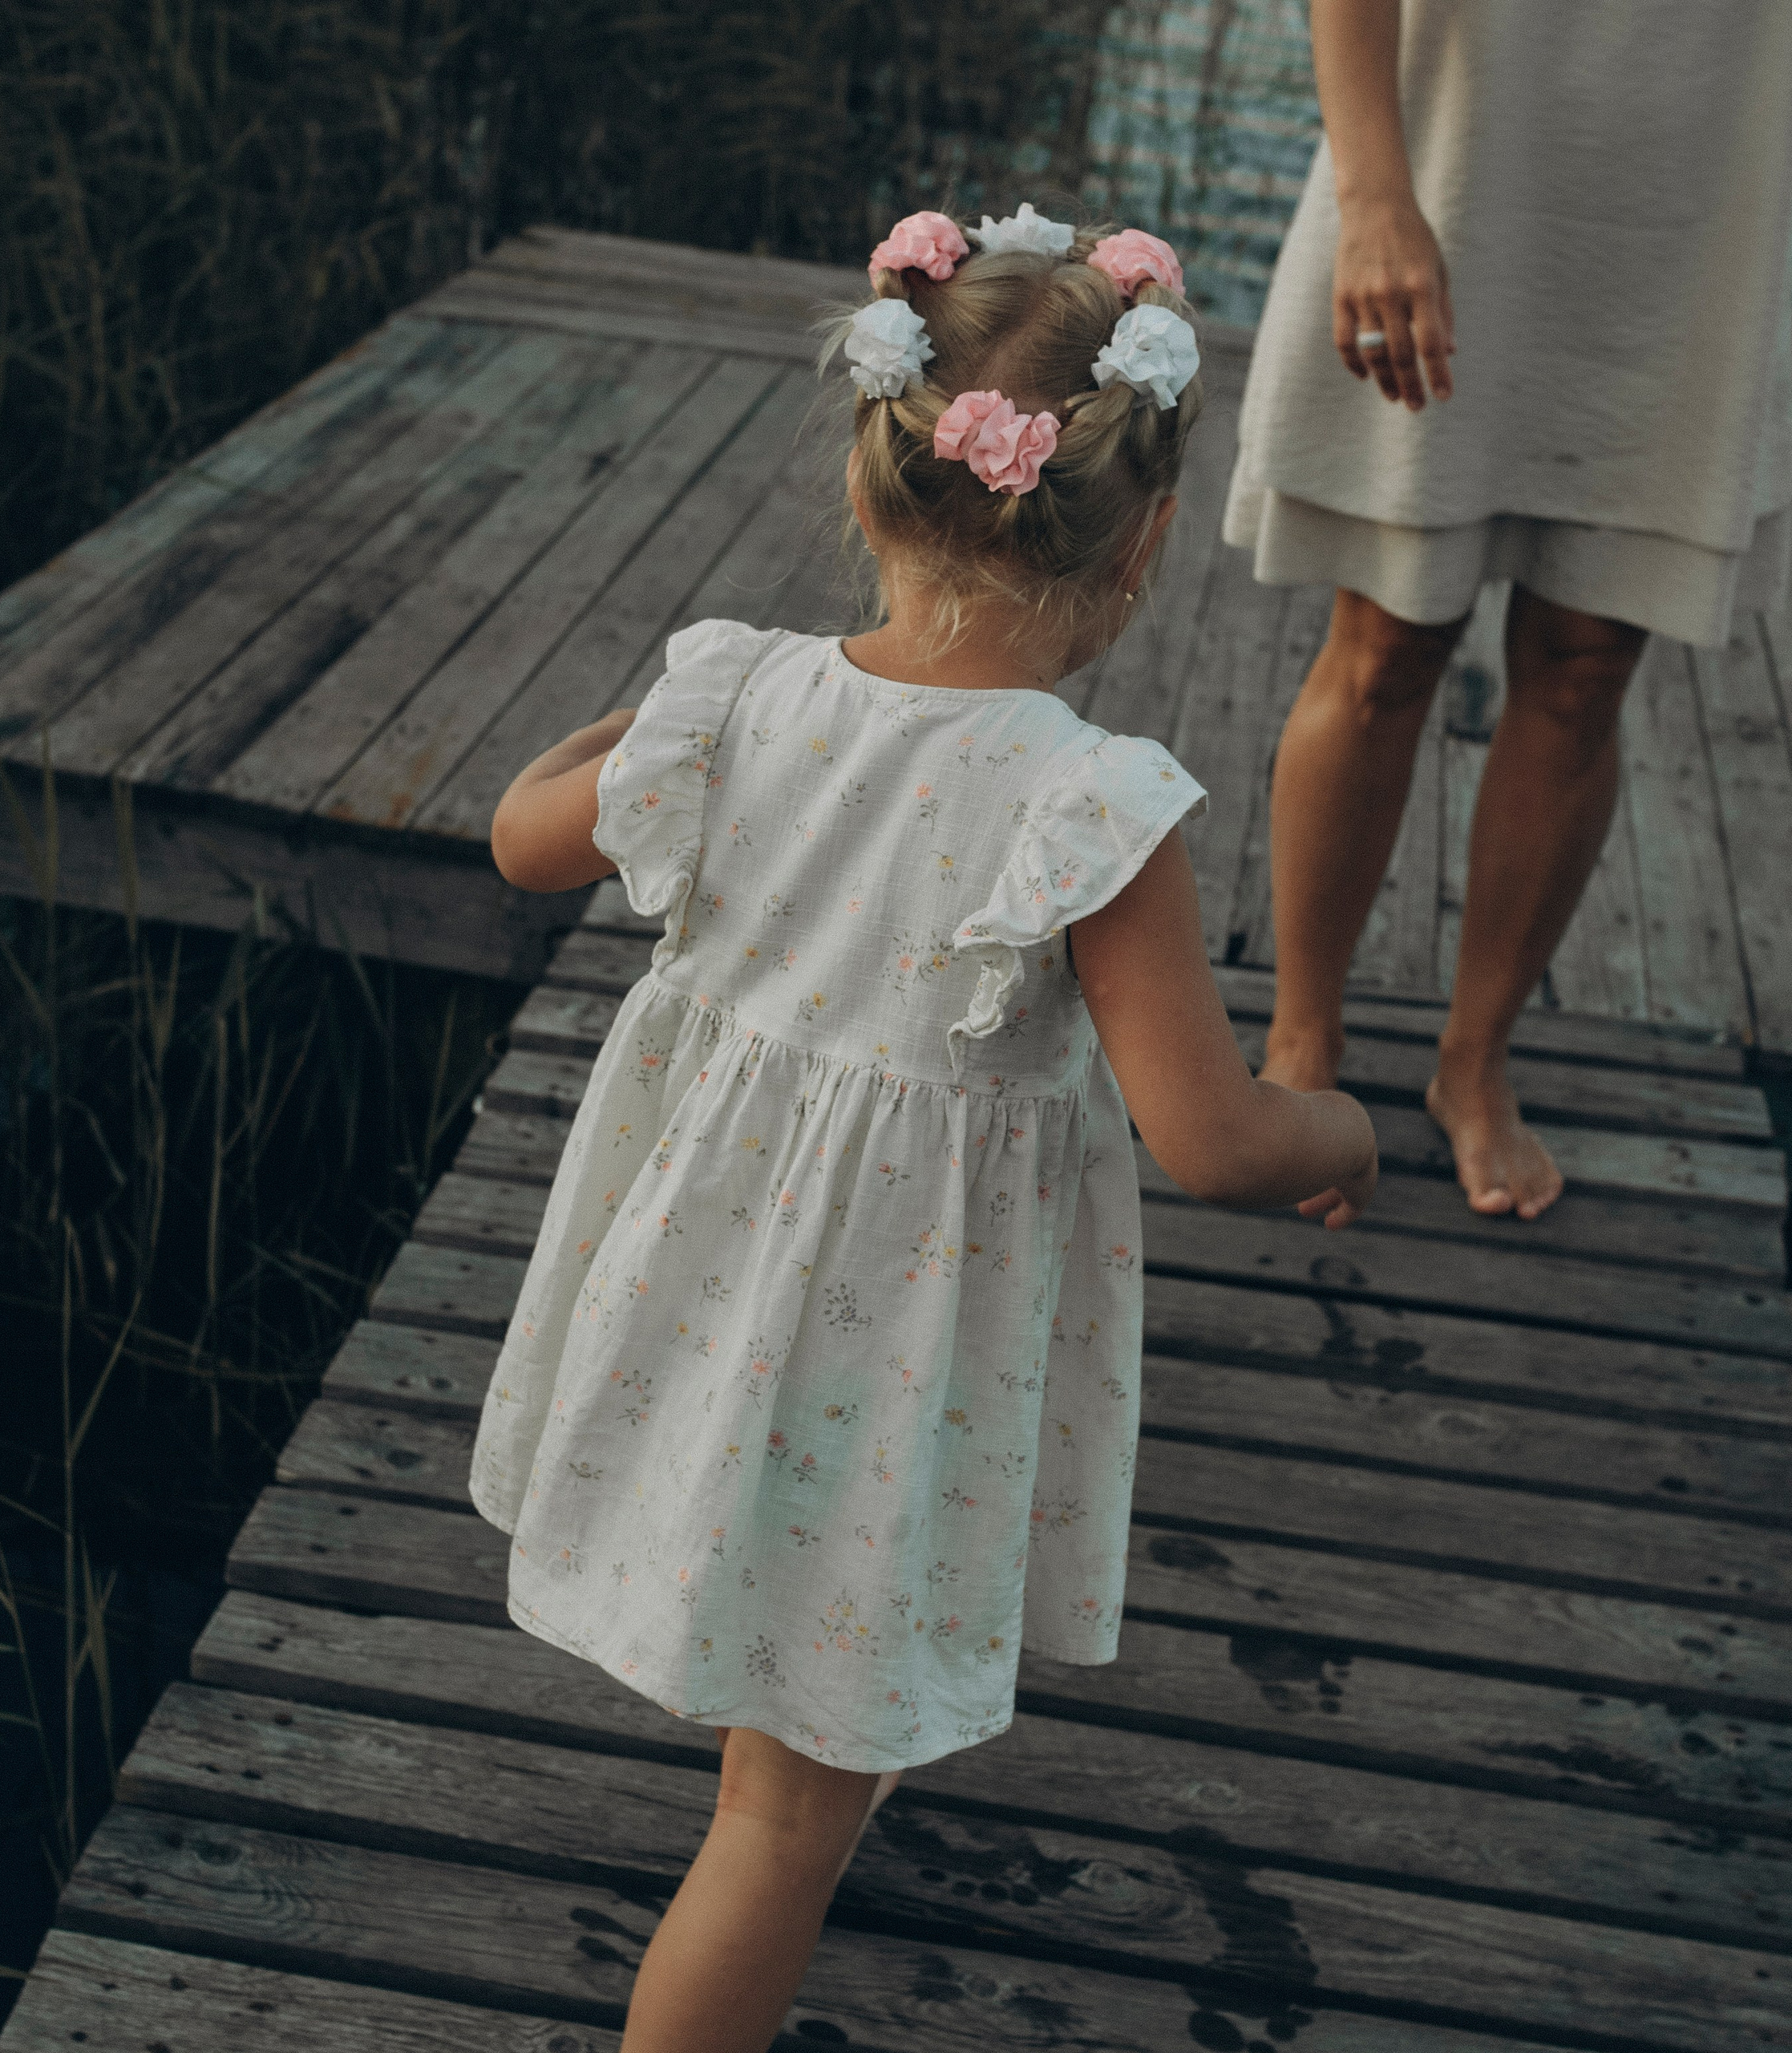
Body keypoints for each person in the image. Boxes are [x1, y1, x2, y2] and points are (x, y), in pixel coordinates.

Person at [470, 206, 1378, 2053]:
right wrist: (1336, 1121)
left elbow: (518, 834)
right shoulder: (1085, 799)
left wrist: (678, 706)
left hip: (708, 1285)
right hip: (891, 1342)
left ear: (873, 485)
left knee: (792, 1692)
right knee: (779, 1819)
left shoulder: (741, 694)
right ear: (1133, 556)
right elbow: (1207, 1136)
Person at [1225, 0, 1792, 1220]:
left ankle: (1474, 1064)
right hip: (1450, 171)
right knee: (1385, 647)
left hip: (1694, 211)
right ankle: (1300, 1044)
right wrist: (1376, 196)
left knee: (1590, 662)